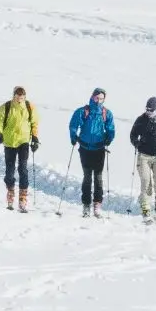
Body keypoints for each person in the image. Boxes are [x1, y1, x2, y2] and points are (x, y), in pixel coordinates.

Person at [69, 87, 117, 218]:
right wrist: (73, 137)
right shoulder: (83, 111)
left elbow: (111, 128)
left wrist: (109, 138)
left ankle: (97, 205)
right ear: (92, 97)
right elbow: (73, 124)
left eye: (101, 98)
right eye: (97, 98)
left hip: (99, 149)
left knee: (98, 178)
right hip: (85, 149)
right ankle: (86, 205)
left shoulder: (106, 113)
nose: (98, 100)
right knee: (87, 177)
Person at [0, 84, 40, 212]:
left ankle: (23, 198)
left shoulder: (30, 107)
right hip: (9, 142)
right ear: (14, 95)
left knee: (23, 168)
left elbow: (34, 122)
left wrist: (35, 138)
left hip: (24, 141)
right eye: (18, 95)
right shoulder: (6, 107)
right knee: (10, 170)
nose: (20, 97)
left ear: (24, 96)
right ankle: (10, 192)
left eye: (22, 95)